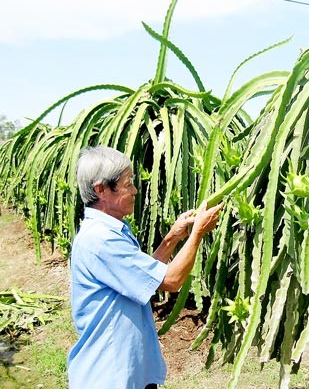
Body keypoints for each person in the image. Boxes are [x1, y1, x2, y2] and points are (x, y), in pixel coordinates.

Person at [67, 145, 223, 389]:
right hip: (110, 376)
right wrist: (198, 233)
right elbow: (171, 280)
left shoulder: (110, 230)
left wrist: (172, 238)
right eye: (128, 183)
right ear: (101, 189)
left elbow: (144, 278)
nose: (135, 191)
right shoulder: (100, 240)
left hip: (127, 369)